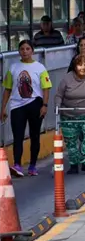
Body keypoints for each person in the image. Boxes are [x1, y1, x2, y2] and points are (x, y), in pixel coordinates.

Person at [1, 40, 51, 177]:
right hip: (17, 106)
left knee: (35, 135)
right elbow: (7, 89)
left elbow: (46, 88)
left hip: (35, 103)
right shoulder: (13, 67)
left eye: (28, 49)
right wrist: (3, 108)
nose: (25, 51)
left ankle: (32, 165)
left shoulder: (40, 68)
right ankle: (17, 164)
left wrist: (44, 105)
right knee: (18, 136)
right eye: (22, 49)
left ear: (32, 51)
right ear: (19, 51)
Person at [54, 54, 85, 174]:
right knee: (70, 141)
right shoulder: (67, 78)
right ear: (75, 66)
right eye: (80, 65)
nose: (83, 68)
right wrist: (57, 105)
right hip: (69, 113)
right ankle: (74, 164)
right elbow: (59, 94)